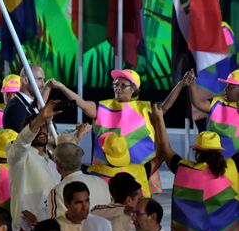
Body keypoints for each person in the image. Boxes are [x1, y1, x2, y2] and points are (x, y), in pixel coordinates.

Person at [52, 68, 191, 193]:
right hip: (107, 171)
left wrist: (181, 84)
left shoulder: (145, 108)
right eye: (115, 84)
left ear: (134, 89)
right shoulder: (104, 107)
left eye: (123, 85)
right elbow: (81, 103)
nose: (117, 88)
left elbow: (165, 106)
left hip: (140, 170)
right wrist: (63, 87)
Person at [151, 103, 239, 231]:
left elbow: (165, 148)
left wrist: (159, 118)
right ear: (219, 151)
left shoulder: (183, 169)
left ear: (197, 152)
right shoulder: (232, 167)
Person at [7, 101, 61, 231]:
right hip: (24, 229)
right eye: (38, 127)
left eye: (44, 126)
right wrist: (41, 118)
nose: (41, 130)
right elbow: (23, 141)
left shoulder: (54, 164)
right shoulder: (19, 155)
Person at [46, 142, 111, 218]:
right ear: (79, 162)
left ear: (57, 163)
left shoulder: (58, 190)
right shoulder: (102, 183)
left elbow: (57, 226)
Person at [86, 132, 156, 196]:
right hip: (143, 208)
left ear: (104, 152)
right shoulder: (141, 169)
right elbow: (162, 154)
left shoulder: (93, 171)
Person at [189, 68, 239, 157]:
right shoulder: (218, 101)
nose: (226, 89)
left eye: (231, 87)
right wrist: (192, 84)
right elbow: (198, 103)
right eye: (227, 85)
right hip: (211, 158)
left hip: (234, 163)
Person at [3, 65, 46, 132]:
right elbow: (23, 139)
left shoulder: (32, 104)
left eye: (43, 80)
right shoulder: (15, 108)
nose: (43, 84)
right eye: (39, 79)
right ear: (25, 80)